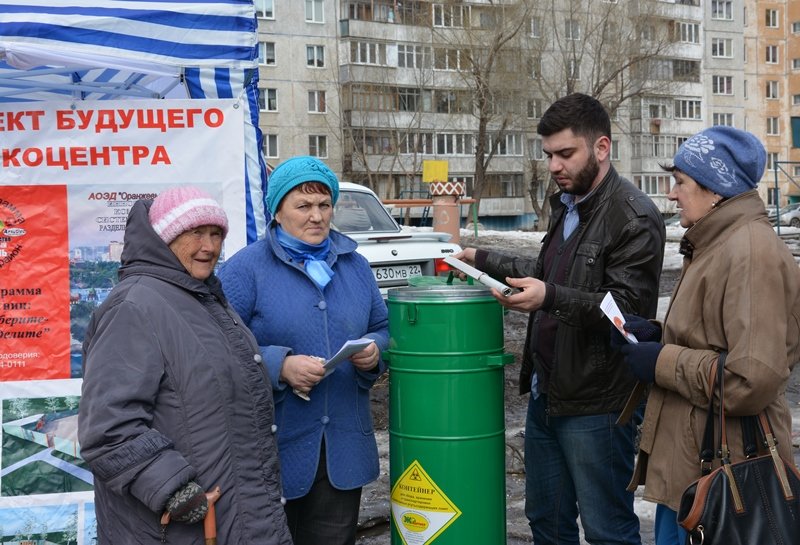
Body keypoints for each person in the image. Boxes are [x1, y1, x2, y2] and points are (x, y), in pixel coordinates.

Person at [454, 93, 665, 545]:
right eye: (548, 154)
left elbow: (626, 311)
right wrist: (481, 257)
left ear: (601, 148)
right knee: (546, 522)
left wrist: (549, 297)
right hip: (545, 392)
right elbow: (553, 272)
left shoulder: (633, 216)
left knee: (607, 529)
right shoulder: (566, 203)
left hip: (598, 404)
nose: (553, 165)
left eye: (565, 153)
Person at [614, 126, 800, 544]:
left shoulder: (749, 252)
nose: (671, 194)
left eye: (681, 182)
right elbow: (715, 336)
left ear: (716, 189)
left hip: (725, 484)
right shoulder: (717, 243)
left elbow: (750, 379)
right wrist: (657, 336)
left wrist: (661, 361)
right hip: (695, 473)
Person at [77, 186, 292, 545]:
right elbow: (108, 428)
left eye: (216, 234)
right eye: (195, 233)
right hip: (178, 526)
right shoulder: (134, 306)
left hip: (236, 516)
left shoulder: (204, 298)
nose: (209, 246)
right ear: (166, 238)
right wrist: (173, 488)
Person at [218, 155, 389, 545]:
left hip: (342, 450)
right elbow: (218, 348)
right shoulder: (246, 269)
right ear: (277, 212)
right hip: (273, 450)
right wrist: (279, 366)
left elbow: (381, 327)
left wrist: (373, 353)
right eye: (303, 206)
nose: (316, 216)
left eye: (324, 205)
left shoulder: (354, 265)